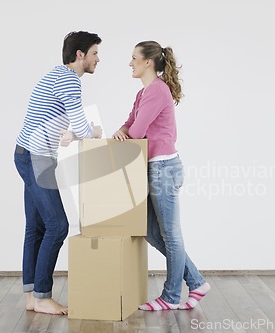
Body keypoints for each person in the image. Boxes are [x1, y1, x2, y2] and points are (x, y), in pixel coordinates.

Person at [112, 41, 210, 311]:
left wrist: (126, 132)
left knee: (170, 235)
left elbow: (137, 131)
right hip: (154, 168)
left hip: (164, 168)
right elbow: (130, 121)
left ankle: (170, 296)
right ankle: (197, 281)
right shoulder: (144, 93)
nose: (130, 63)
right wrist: (123, 129)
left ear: (148, 62)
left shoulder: (157, 91)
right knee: (151, 231)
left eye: (133, 58)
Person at [14, 31, 102, 315]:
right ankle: (41, 296)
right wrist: (94, 131)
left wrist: (73, 133)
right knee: (58, 226)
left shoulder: (55, 76)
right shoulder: (68, 81)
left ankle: (32, 296)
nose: (97, 59)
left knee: (37, 227)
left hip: (27, 154)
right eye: (95, 53)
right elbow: (85, 128)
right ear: (80, 54)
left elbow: (66, 125)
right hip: (36, 158)